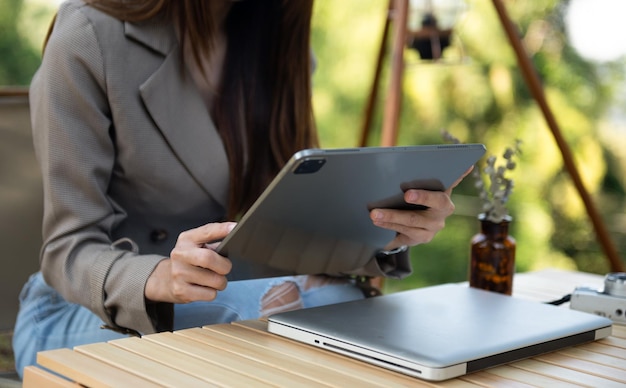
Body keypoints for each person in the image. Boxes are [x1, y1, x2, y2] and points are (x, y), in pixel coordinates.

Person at [13, 0, 467, 378]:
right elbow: (67, 249)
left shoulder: (276, 41)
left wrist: (386, 231)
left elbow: (282, 222)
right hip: (80, 312)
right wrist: (158, 277)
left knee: (342, 305)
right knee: (260, 316)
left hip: (232, 290)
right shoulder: (90, 33)